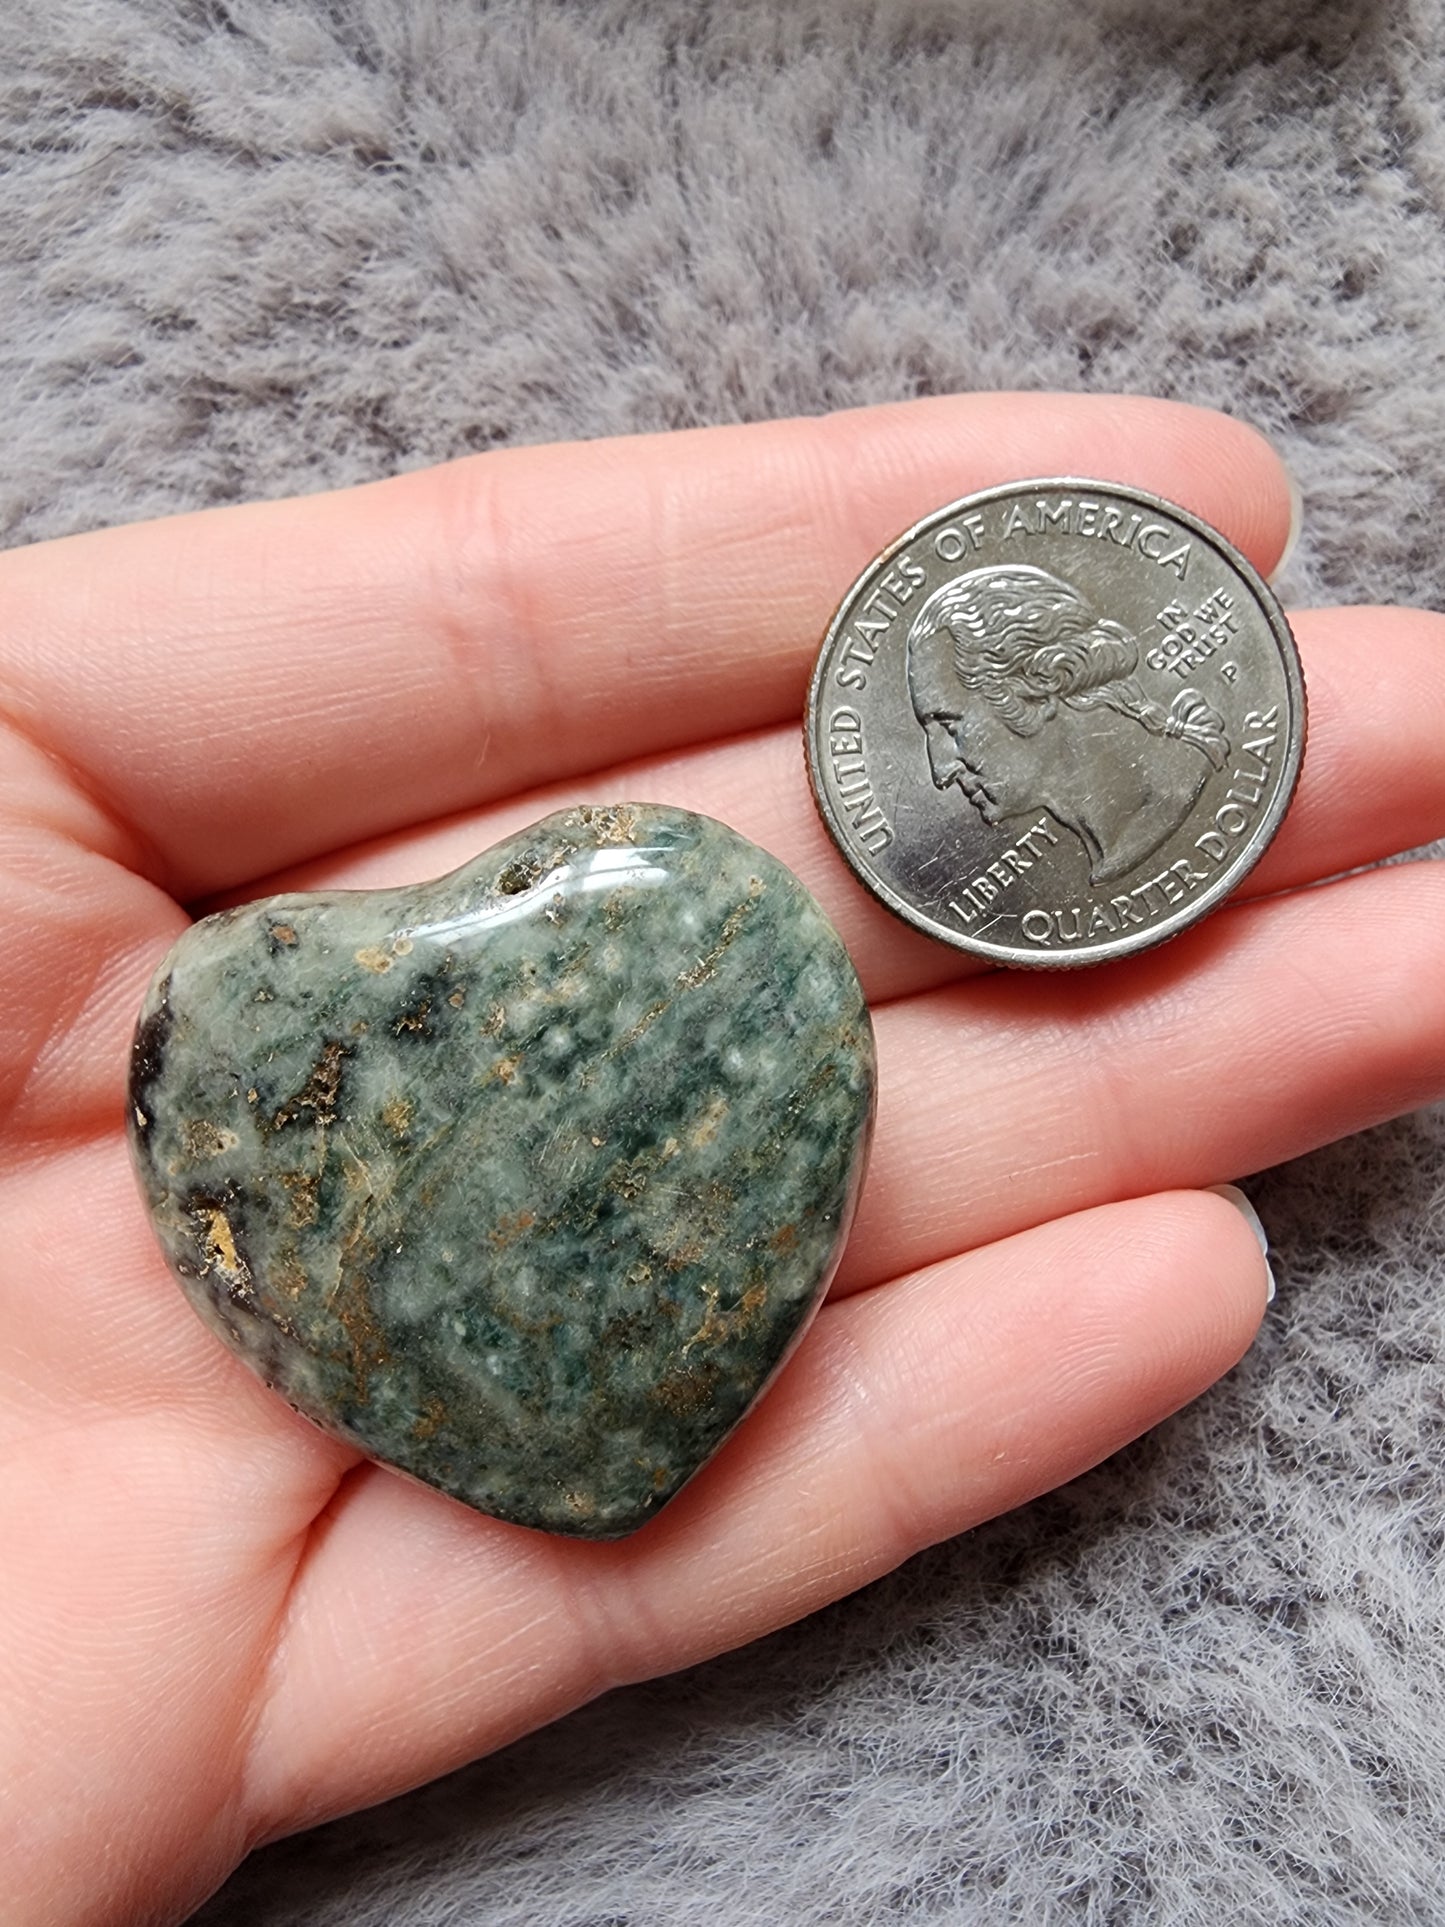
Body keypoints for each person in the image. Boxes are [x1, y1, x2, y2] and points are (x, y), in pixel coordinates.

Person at [3, 392, 1444, 1926]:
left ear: (1043, 694)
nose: (936, 755)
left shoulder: (785, 924)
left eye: (950, 721)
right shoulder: (242, 1060)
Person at [907, 564, 1228, 882]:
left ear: (1038, 685)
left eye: (950, 727)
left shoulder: (1180, 791)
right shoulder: (1110, 852)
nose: (941, 773)